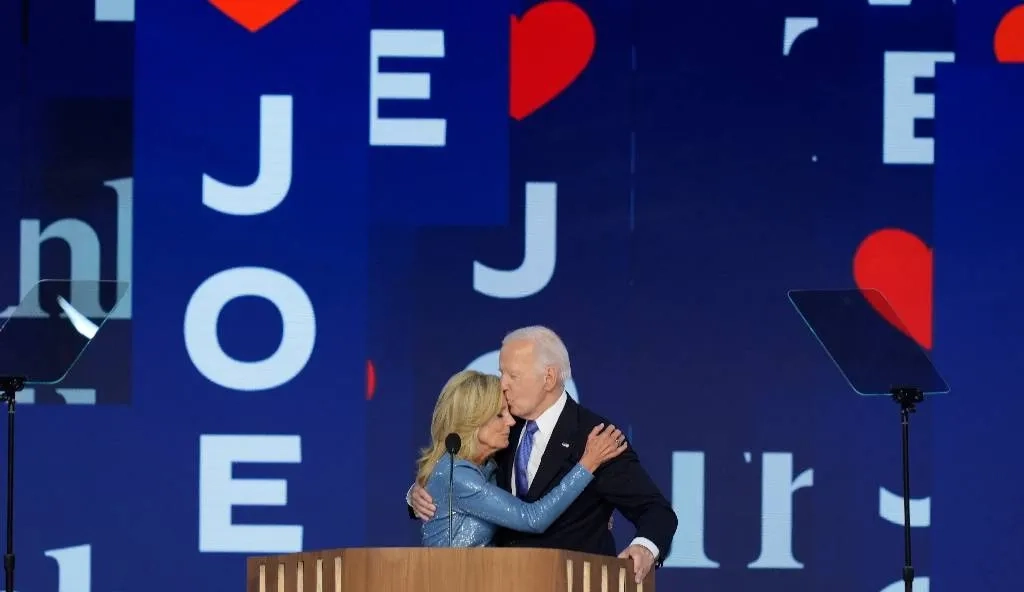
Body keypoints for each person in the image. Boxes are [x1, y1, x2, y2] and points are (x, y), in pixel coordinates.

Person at [409, 326, 678, 583]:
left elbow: (656, 511)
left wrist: (645, 547)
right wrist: (419, 493)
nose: (503, 385)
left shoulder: (596, 438)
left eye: (512, 376)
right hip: (500, 582)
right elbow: (464, 474)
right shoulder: (501, 428)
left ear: (548, 378)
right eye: (501, 373)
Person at [416, 369, 628, 547]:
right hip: (449, 578)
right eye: (500, 414)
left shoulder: (487, 467)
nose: (511, 421)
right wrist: (587, 465)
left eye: (508, 411)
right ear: (473, 420)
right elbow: (532, 518)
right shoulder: (457, 475)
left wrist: (589, 513)